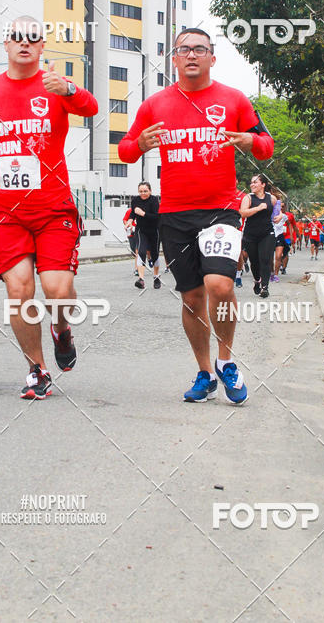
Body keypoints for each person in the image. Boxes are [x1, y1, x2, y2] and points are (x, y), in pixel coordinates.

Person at [0, 15, 98, 399]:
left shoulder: (55, 85)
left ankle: (62, 331)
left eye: (33, 39)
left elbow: (90, 108)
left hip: (53, 208)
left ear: (42, 46)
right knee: (19, 288)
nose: (24, 44)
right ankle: (37, 369)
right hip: (5, 212)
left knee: (58, 291)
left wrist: (68, 89)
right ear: (6, 46)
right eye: (16, 38)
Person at [118, 27, 274, 404]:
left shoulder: (233, 100)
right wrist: (139, 143)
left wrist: (249, 139)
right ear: (173, 58)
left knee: (220, 286)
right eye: (184, 49)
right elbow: (124, 150)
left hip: (220, 209)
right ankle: (205, 372)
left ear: (212, 57)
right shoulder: (155, 105)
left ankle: (227, 362)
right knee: (191, 298)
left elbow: (267, 146)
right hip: (174, 214)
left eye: (199, 49)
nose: (191, 55)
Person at [240, 174, 276, 298]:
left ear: (263, 184)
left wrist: (280, 216)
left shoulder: (271, 198)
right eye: (251, 182)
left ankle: (265, 287)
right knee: (254, 262)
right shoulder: (248, 198)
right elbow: (243, 213)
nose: (252, 185)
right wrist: (258, 208)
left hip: (267, 233)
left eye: (255, 182)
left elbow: (278, 212)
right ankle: (257, 280)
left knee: (265, 260)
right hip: (251, 235)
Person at [131, 181, 161, 289]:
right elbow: (133, 213)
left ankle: (156, 276)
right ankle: (141, 279)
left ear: (150, 191)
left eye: (145, 191)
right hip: (141, 230)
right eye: (140, 191)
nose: (143, 193)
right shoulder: (135, 200)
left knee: (155, 254)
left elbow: (156, 217)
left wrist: (143, 213)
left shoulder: (154, 200)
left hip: (154, 231)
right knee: (141, 252)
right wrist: (130, 221)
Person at [279, 202, 300, 275]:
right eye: (280, 206)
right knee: (280, 253)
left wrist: (298, 236)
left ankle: (284, 268)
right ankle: (281, 264)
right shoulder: (275, 214)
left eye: (283, 206)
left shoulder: (290, 215)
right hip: (278, 236)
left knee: (285, 253)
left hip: (287, 237)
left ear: (285, 207)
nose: (281, 208)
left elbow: (294, 226)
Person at [123, 207, 138, 275]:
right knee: (133, 251)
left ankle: (137, 269)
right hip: (131, 233)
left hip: (140, 233)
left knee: (138, 251)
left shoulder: (142, 211)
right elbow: (125, 220)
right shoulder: (129, 211)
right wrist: (129, 225)